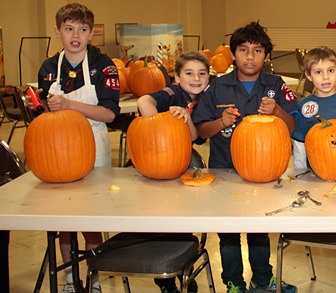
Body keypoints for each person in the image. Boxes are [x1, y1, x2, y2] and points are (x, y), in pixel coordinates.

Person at [192, 22, 298, 293]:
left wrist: (277, 112)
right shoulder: (217, 87)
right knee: (228, 232)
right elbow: (200, 131)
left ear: (267, 56)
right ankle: (233, 283)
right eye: (243, 50)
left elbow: (293, 126)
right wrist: (220, 120)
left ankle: (262, 279)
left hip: (263, 172)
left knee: (258, 228)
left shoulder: (275, 85)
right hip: (224, 172)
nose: (250, 57)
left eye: (257, 50)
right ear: (233, 54)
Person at [36, 3, 120, 293]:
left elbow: (109, 115)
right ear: (58, 31)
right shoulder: (49, 68)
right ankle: (71, 278)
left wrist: (71, 104)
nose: (75, 35)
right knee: (65, 218)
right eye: (69, 29)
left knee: (90, 215)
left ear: (91, 34)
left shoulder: (103, 65)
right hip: (57, 149)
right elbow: (44, 115)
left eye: (82, 30)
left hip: (94, 142)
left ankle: (93, 277)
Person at [136, 51, 210, 293]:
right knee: (165, 221)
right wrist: (159, 126)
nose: (196, 78)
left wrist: (185, 117)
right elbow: (143, 101)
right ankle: (165, 279)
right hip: (159, 161)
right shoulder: (171, 93)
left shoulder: (207, 98)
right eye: (189, 73)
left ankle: (184, 266)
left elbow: (194, 136)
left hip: (186, 162)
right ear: (177, 77)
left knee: (186, 220)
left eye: (202, 73)